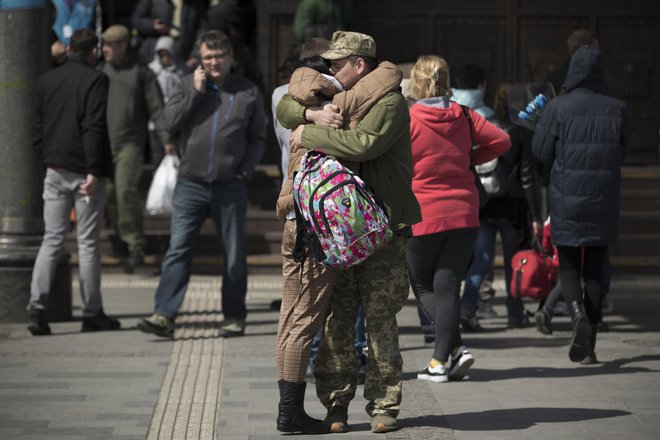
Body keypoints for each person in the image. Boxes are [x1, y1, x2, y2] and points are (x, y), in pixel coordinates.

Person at [277, 30, 421, 434]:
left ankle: (383, 405)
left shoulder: (391, 101)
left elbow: (363, 144)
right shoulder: (335, 97)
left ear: (360, 65)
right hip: (339, 230)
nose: (332, 71)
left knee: (380, 321)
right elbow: (285, 107)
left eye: (338, 64)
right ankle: (336, 406)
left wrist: (309, 134)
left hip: (384, 227)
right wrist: (309, 114)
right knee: (337, 322)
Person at [136, 30, 266, 339]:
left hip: (229, 185)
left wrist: (245, 171)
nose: (214, 62)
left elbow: (257, 137)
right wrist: (194, 92)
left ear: (231, 58)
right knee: (178, 249)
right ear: (200, 59)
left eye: (220, 56)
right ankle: (164, 314)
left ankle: (234, 316)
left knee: (233, 255)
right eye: (208, 57)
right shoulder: (185, 84)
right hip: (190, 184)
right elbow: (168, 123)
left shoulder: (247, 91)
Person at [406, 55, 510, 383]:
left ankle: (444, 357)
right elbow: (502, 141)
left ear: (416, 82)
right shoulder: (464, 116)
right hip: (464, 212)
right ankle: (451, 354)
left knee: (422, 284)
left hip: (423, 213)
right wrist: (472, 157)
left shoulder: (410, 118)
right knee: (449, 285)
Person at [532, 46, 630, 364]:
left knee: (569, 265)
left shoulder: (558, 108)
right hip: (603, 198)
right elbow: (623, 153)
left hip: (566, 198)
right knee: (596, 270)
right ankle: (590, 349)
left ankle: (577, 318)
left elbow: (540, 151)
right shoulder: (618, 109)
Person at [28, 28, 120, 336]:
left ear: (69, 49)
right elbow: (93, 126)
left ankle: (37, 307)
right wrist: (94, 169)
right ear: (93, 51)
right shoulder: (96, 79)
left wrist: (47, 156)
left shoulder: (47, 79)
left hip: (54, 168)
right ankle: (92, 311)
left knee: (51, 239)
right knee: (87, 243)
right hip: (84, 171)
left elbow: (38, 126)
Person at [460, 80, 543, 331]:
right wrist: (536, 215)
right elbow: (528, 178)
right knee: (513, 261)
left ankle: (467, 305)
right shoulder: (522, 131)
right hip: (512, 206)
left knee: (481, 259)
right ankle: (515, 313)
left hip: (485, 202)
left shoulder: (486, 124)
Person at [101, 24, 174, 273]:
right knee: (108, 194)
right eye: (104, 44)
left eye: (110, 44)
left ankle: (135, 245)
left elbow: (156, 108)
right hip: (103, 143)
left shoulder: (141, 73)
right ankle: (122, 236)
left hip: (130, 144)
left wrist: (166, 139)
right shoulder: (101, 71)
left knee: (125, 191)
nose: (105, 49)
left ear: (123, 45)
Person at [147, 36, 184, 164]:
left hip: (174, 121)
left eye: (168, 55)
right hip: (155, 123)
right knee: (157, 155)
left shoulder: (179, 73)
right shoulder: (151, 71)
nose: (165, 59)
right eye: (161, 55)